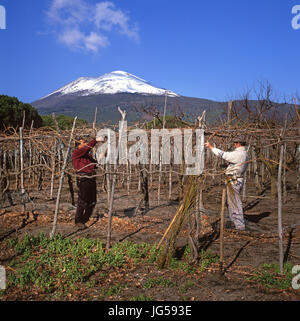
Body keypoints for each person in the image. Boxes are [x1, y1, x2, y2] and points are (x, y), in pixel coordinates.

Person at [205, 137, 249, 231]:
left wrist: (211, 147)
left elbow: (224, 155)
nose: (234, 145)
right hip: (235, 179)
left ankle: (239, 226)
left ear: (238, 144)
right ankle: (234, 222)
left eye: (235, 143)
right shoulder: (244, 153)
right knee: (231, 203)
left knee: (235, 203)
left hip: (234, 180)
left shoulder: (239, 154)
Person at [72, 135, 104, 229]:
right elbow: (87, 148)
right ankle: (78, 221)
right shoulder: (77, 152)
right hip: (83, 178)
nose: (85, 144)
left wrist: (100, 160)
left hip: (91, 177)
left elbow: (94, 165)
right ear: (78, 145)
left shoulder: (87, 155)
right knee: (83, 201)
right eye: (82, 143)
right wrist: (95, 141)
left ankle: (85, 219)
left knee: (92, 201)